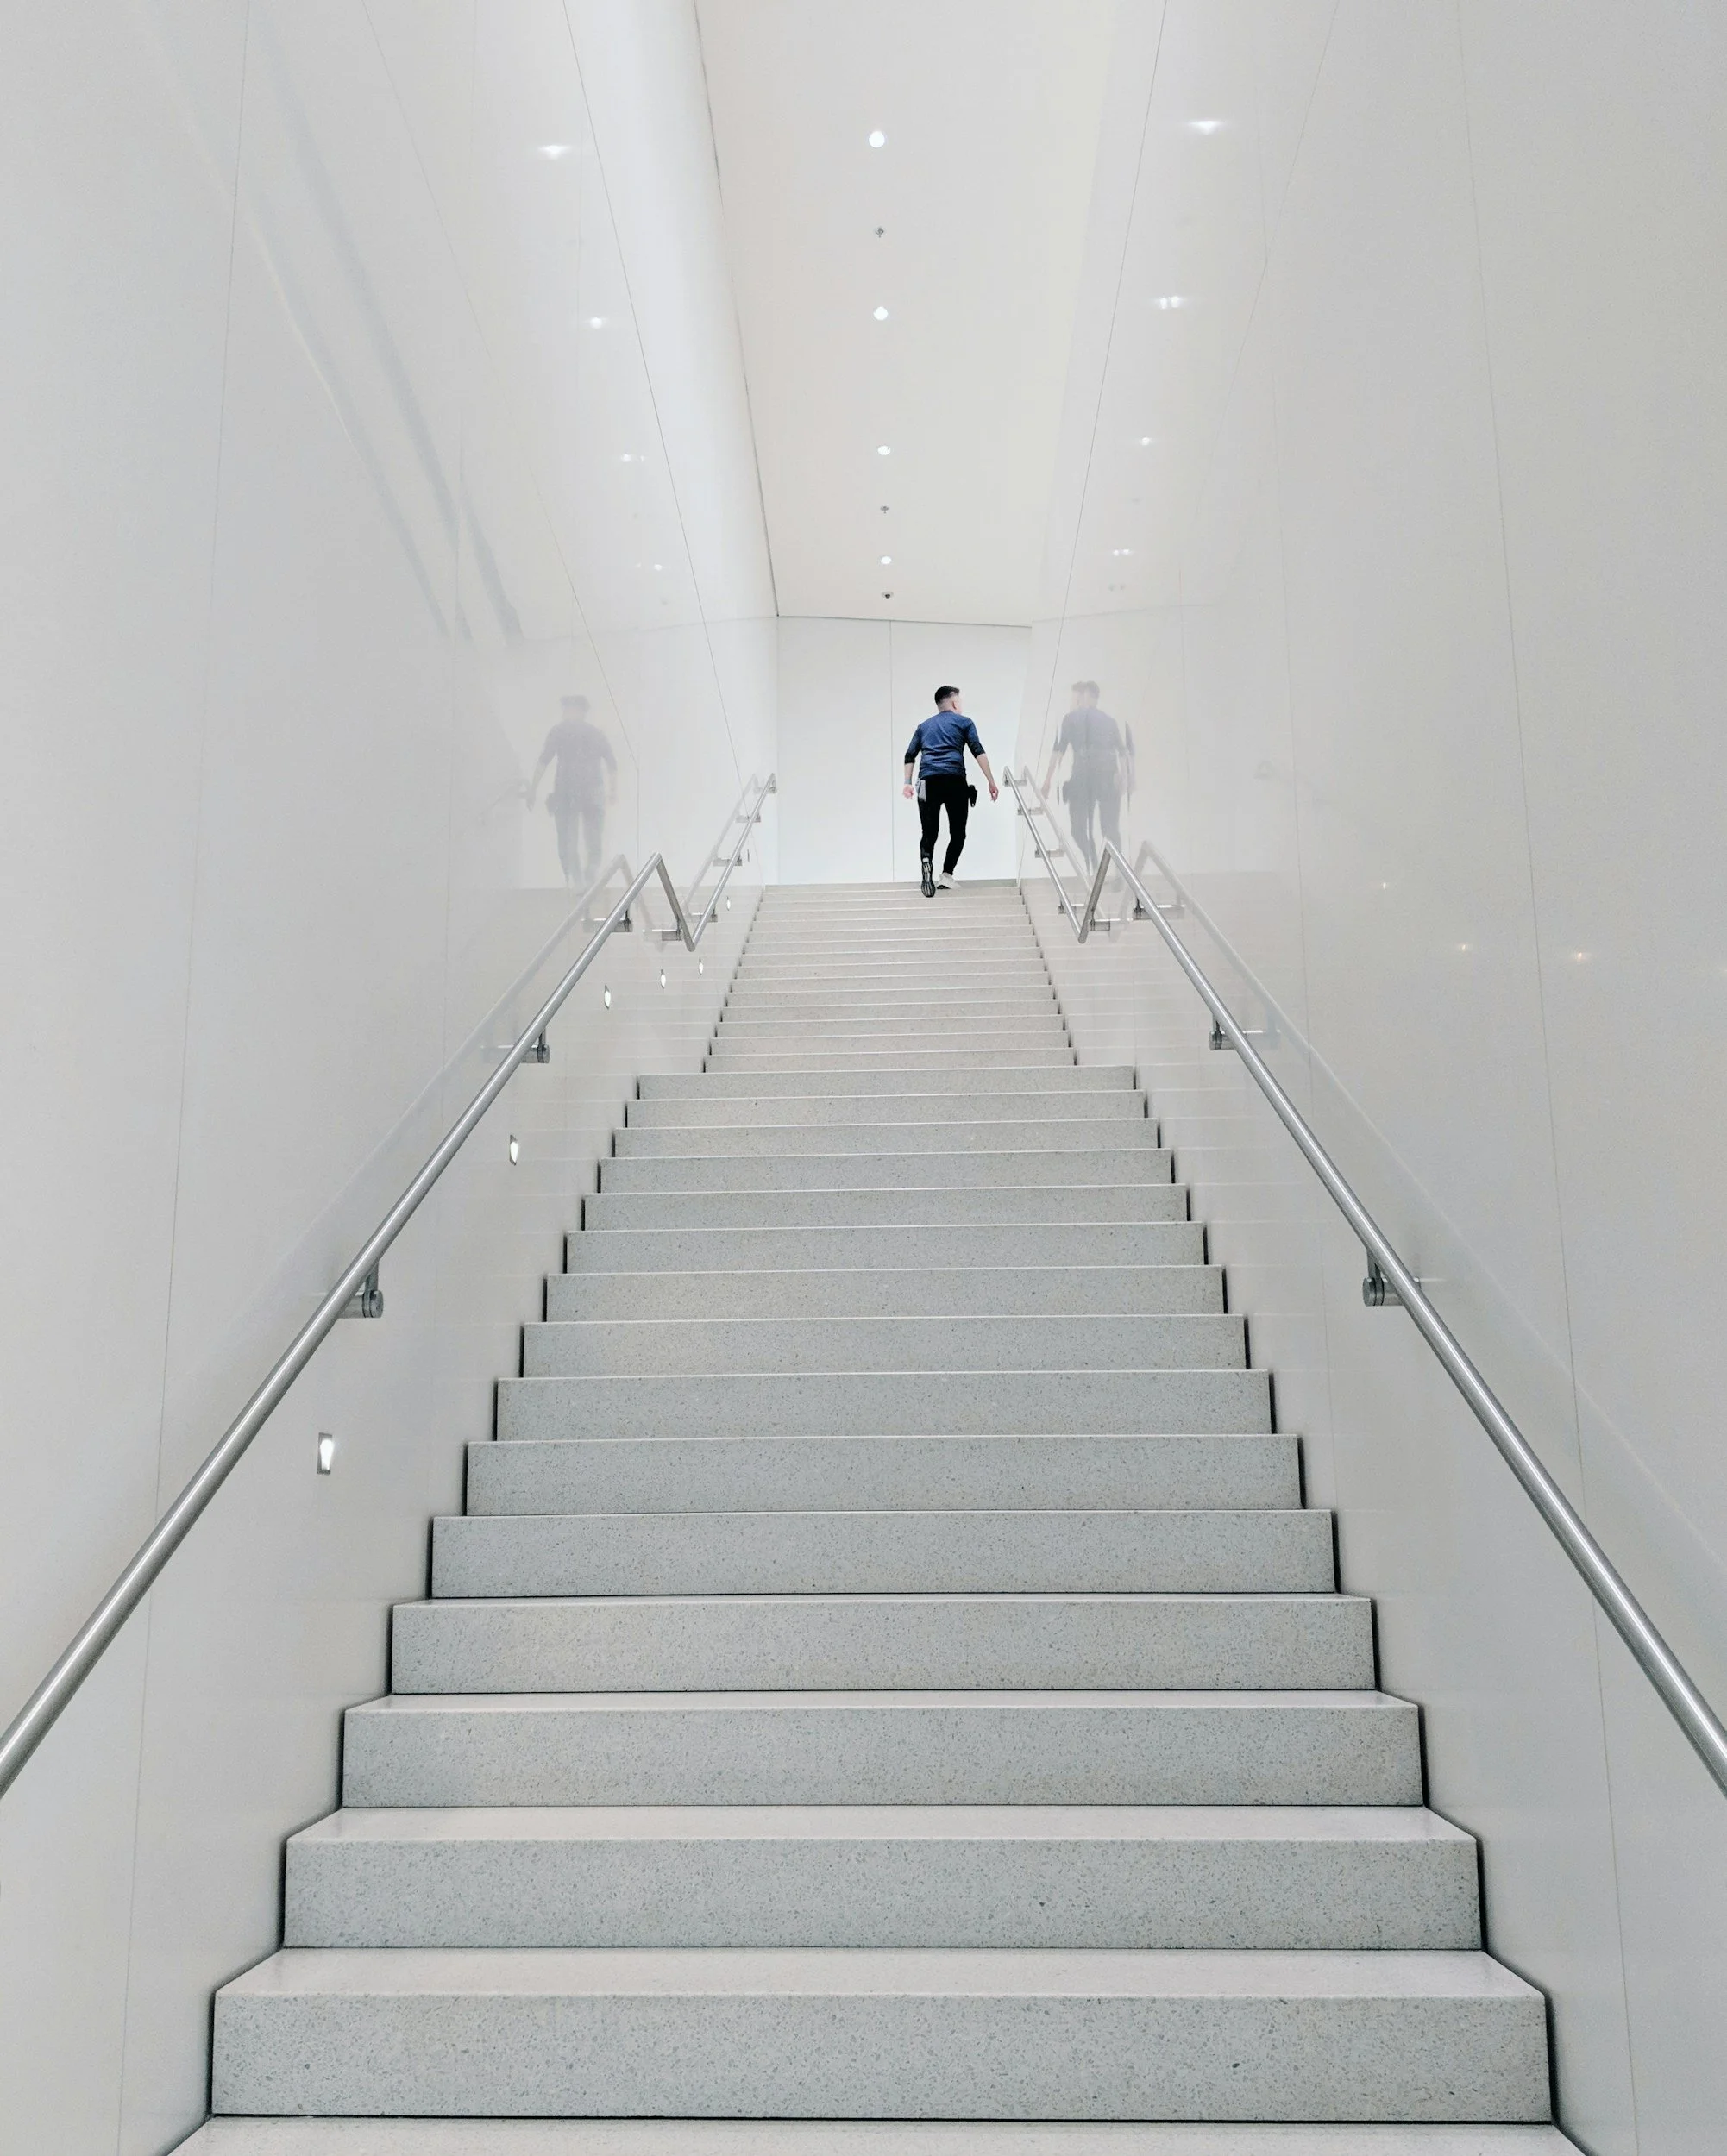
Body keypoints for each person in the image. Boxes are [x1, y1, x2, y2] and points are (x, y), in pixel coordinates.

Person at [903, 685, 999, 896]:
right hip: (955, 780)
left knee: (929, 832)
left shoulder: (923, 726)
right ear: (955, 703)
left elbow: (909, 755)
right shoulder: (964, 722)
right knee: (958, 832)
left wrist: (907, 783)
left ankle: (926, 859)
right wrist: (991, 781)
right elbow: (977, 751)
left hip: (926, 781)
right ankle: (946, 874)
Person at [526, 694, 617, 887]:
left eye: (568, 709)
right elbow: (611, 763)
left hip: (568, 791)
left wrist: (533, 789)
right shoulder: (594, 733)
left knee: (569, 838)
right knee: (590, 836)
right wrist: (612, 791)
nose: (566, 713)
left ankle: (577, 878)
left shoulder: (559, 732)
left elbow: (544, 760)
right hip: (589, 790)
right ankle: (587, 872)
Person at [1043, 680, 1132, 872]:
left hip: (1082, 778)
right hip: (1108, 777)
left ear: (1085, 697)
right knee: (1110, 828)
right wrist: (1124, 778)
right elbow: (1122, 752)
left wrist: (1048, 781)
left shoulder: (1071, 719)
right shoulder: (1109, 721)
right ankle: (1119, 872)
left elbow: (1058, 752)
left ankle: (1092, 862)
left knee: (1078, 829)